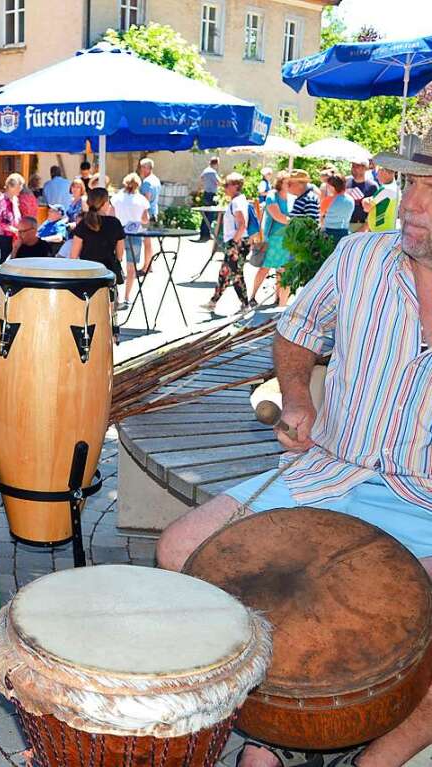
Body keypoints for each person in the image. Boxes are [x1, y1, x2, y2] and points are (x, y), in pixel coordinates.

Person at [156, 131, 432, 767]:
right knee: (179, 550)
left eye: (430, 187)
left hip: (423, 499)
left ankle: (376, 757)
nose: (411, 202)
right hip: (329, 471)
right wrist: (298, 399)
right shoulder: (360, 257)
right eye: (408, 182)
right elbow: (296, 330)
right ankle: (273, 720)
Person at [201, 173, 250, 314]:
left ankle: (245, 304)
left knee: (236, 274)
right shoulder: (238, 200)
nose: (224, 188)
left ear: (236, 186)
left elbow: (242, 224)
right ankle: (213, 302)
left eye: (227, 185)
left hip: (237, 242)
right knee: (224, 273)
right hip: (237, 241)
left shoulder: (237, 202)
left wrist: (234, 242)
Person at [70, 187, 125, 299]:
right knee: (109, 309)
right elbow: (120, 255)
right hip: (108, 273)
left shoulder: (83, 223)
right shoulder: (115, 223)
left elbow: (73, 255)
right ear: (105, 203)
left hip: (87, 272)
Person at [249, 171, 293, 308]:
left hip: (287, 239)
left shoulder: (292, 197)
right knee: (265, 268)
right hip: (272, 238)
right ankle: (252, 296)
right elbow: (277, 215)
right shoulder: (272, 195)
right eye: (288, 182)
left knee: (282, 270)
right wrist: (296, 222)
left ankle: (278, 298)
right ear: (281, 182)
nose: (291, 185)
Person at [111, 173, 150, 283]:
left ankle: (116, 294)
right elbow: (145, 219)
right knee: (131, 267)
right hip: (135, 232)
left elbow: (111, 215)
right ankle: (127, 297)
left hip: (118, 232)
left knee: (116, 263)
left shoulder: (116, 198)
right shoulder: (142, 200)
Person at [0, 173, 25, 264]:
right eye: (20, 186)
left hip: (14, 235)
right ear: (12, 186)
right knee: (3, 261)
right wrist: (15, 230)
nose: (21, 188)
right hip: (5, 236)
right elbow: (0, 222)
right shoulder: (3, 200)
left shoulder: (15, 199)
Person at [363, 166, 400, 233]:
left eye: (378, 174)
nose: (377, 177)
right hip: (388, 229)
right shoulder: (396, 188)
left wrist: (364, 200)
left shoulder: (385, 189)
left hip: (380, 230)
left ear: (385, 172)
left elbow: (367, 207)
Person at [322, 173, 355, 249]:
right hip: (344, 232)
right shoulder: (351, 199)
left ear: (333, 187)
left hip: (329, 233)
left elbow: (321, 214)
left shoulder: (329, 200)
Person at [346, 161, 378, 230]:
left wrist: (365, 227)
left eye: (357, 166)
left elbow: (375, 210)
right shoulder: (346, 183)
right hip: (346, 225)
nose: (354, 169)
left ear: (365, 168)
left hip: (363, 226)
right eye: (352, 166)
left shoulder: (372, 186)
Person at [197, 156, 221, 241]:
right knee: (210, 215)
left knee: (205, 215)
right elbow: (219, 182)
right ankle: (206, 235)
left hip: (206, 193)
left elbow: (201, 179)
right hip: (211, 195)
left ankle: (203, 234)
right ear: (216, 163)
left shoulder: (205, 170)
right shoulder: (212, 172)